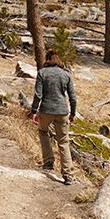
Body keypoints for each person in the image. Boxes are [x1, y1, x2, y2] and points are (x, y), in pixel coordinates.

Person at [30, 50, 77, 185]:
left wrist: (34, 111)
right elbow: (73, 97)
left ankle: (48, 161)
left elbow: (38, 94)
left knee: (43, 131)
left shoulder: (42, 73)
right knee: (63, 141)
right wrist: (72, 113)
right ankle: (68, 175)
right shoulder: (66, 75)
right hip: (62, 111)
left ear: (47, 60)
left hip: (46, 110)